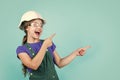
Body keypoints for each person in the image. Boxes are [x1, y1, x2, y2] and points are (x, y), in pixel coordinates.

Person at [16, 10, 91, 80]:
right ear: (26, 27)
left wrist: (75, 53)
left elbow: (60, 63)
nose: (39, 27)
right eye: (35, 25)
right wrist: (44, 45)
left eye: (41, 25)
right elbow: (34, 65)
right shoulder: (21, 49)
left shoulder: (48, 43)